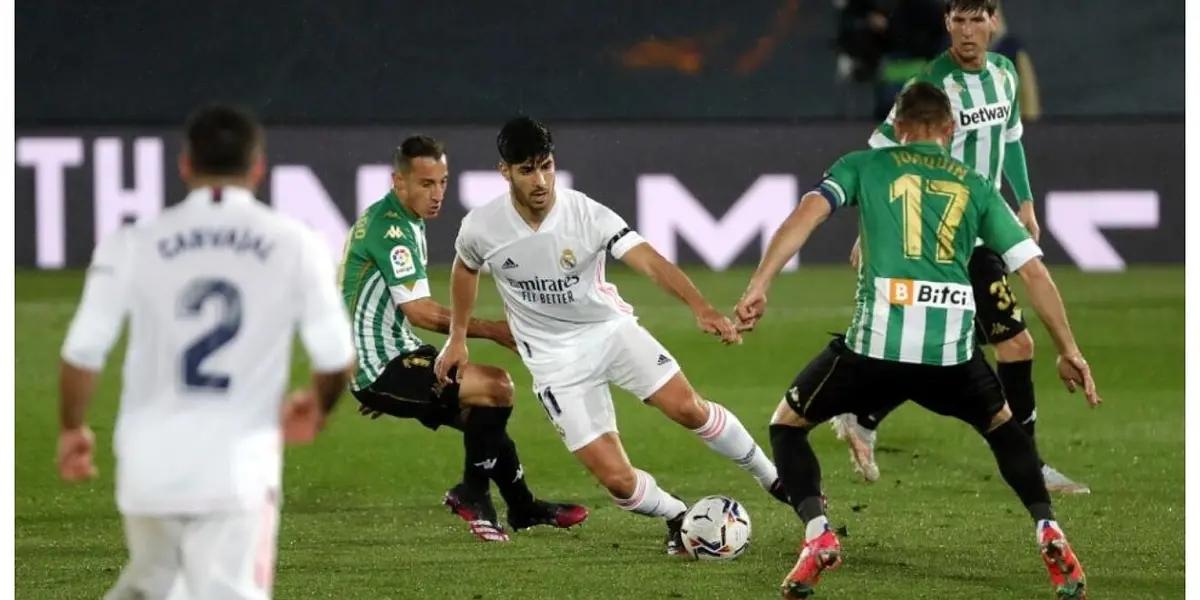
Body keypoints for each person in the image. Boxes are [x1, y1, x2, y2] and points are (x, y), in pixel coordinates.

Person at [736, 82, 1097, 599]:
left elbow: (805, 217)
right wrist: (1069, 348)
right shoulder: (975, 184)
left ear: (898, 129)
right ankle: (1048, 528)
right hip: (951, 356)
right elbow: (1034, 272)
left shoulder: (864, 164)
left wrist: (760, 283)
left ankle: (817, 534)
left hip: (873, 351)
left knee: (787, 426)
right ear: (950, 130)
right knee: (1003, 428)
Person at [435, 116, 788, 554]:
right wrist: (457, 336)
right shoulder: (481, 227)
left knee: (688, 408)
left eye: (546, 165)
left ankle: (772, 476)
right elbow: (464, 269)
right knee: (618, 483)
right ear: (504, 171)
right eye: (527, 170)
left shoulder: (587, 214)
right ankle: (678, 516)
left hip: (610, 332)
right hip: (554, 364)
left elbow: (650, 262)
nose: (541, 180)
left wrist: (701, 307)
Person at [57, 105, 357, 599]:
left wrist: (72, 429)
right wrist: (317, 406)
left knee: (154, 584)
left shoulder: (132, 242)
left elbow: (83, 351)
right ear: (258, 167)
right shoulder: (296, 243)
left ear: (185, 165)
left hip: (147, 465)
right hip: (238, 469)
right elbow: (335, 357)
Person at [836, 0, 1088, 494]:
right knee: (1015, 344)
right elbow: (881, 154)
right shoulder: (931, 86)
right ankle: (1029, 462)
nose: (968, 31)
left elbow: (1010, 139)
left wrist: (1027, 202)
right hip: (943, 236)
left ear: (994, 21)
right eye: (959, 20)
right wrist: (870, 231)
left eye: (977, 19)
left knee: (951, 349)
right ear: (946, 23)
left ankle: (862, 410)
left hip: (985, 224)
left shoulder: (1004, 73)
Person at [341, 135, 587, 542]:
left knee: (484, 421)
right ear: (398, 182)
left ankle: (521, 507)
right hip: (383, 365)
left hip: (390, 356)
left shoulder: (395, 217)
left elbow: (352, 292)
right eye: (426, 184)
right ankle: (472, 493)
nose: (437, 194)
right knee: (496, 387)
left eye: (443, 182)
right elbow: (419, 312)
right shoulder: (391, 232)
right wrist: (491, 329)